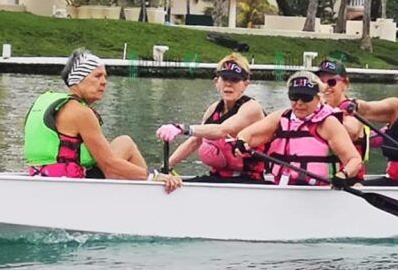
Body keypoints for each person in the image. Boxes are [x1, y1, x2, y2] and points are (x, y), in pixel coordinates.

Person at [24, 49, 181, 192]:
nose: (104, 82)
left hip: (40, 177)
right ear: (78, 79)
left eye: (105, 76)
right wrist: (154, 176)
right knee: (126, 144)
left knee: (123, 142)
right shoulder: (81, 112)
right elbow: (109, 164)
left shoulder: (46, 102)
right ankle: (150, 193)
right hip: (69, 185)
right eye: (97, 76)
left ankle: (142, 188)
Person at [235, 71, 363, 186]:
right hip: (284, 187)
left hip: (319, 192)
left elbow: (354, 160)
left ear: (318, 98)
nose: (299, 103)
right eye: (294, 97)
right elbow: (247, 135)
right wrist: (241, 141)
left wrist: (343, 175)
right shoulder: (280, 117)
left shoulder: (328, 123)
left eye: (306, 97)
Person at [156, 54, 266, 183]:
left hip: (248, 181)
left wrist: (181, 128)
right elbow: (194, 141)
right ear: (216, 82)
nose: (229, 84)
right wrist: (166, 167)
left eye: (235, 79)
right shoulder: (213, 109)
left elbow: (222, 130)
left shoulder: (252, 108)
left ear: (245, 85)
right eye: (225, 79)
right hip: (218, 177)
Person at [315, 58, 370, 181]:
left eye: (331, 82)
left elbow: (352, 132)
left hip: (347, 181)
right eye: (320, 82)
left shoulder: (353, 109)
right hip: (322, 181)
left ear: (345, 84)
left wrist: (324, 110)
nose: (325, 87)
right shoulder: (313, 110)